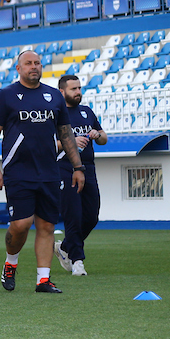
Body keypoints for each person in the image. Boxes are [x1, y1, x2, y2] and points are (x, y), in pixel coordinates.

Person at [0, 50, 84, 295]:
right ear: (18, 68)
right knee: (20, 224)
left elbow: (66, 134)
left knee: (47, 226)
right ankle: (11, 262)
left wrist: (77, 167)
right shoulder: (5, 96)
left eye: (37, 63)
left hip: (49, 171)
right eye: (28, 63)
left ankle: (43, 280)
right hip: (18, 171)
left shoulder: (54, 96)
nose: (34, 66)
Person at [55, 75, 106, 277]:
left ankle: (64, 247)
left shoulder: (86, 112)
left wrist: (96, 134)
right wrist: (70, 141)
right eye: (73, 89)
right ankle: (77, 261)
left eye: (79, 88)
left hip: (88, 168)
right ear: (62, 92)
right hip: (65, 168)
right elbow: (48, 144)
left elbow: (103, 138)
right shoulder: (56, 114)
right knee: (73, 216)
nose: (78, 92)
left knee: (92, 217)